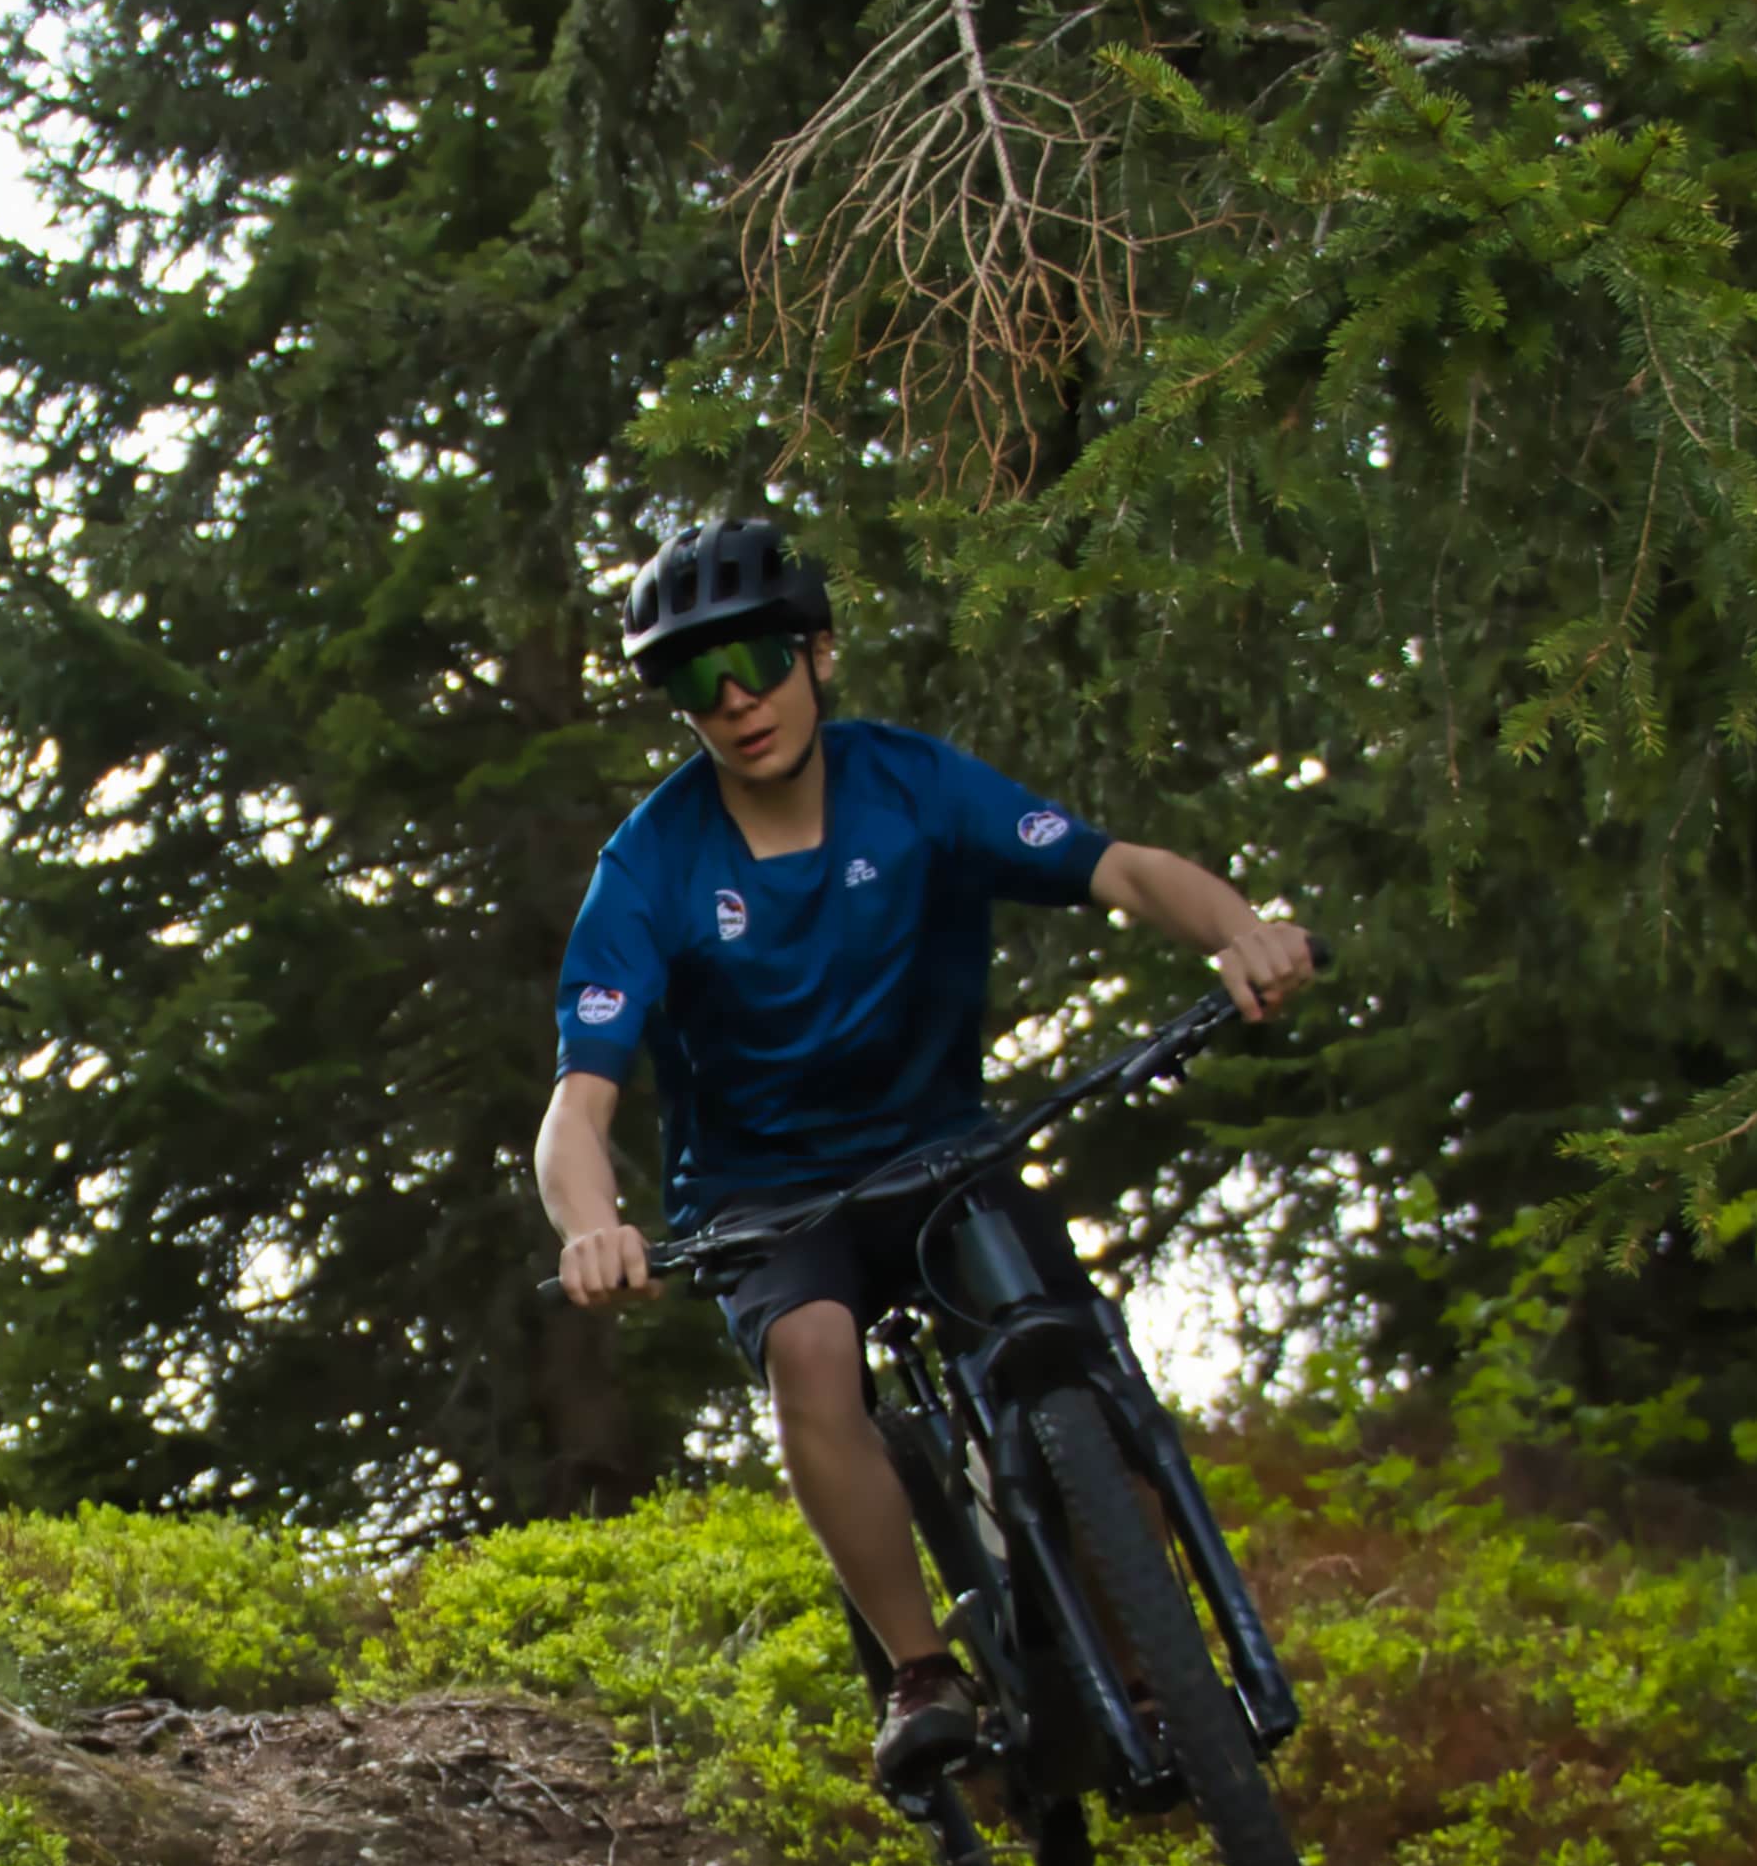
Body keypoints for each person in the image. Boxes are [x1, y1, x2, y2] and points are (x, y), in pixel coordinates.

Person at [536, 516, 1319, 1793]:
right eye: (694, 682)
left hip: (945, 1146)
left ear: (820, 653)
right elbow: (580, 1102)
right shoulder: (651, 866)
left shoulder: (914, 785)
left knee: (1063, 1346)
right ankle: (919, 1668)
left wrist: (1240, 927)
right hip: (767, 1197)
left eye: (759, 663)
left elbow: (1119, 870)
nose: (736, 704)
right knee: (813, 1349)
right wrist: (589, 1224)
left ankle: (1147, 1655)